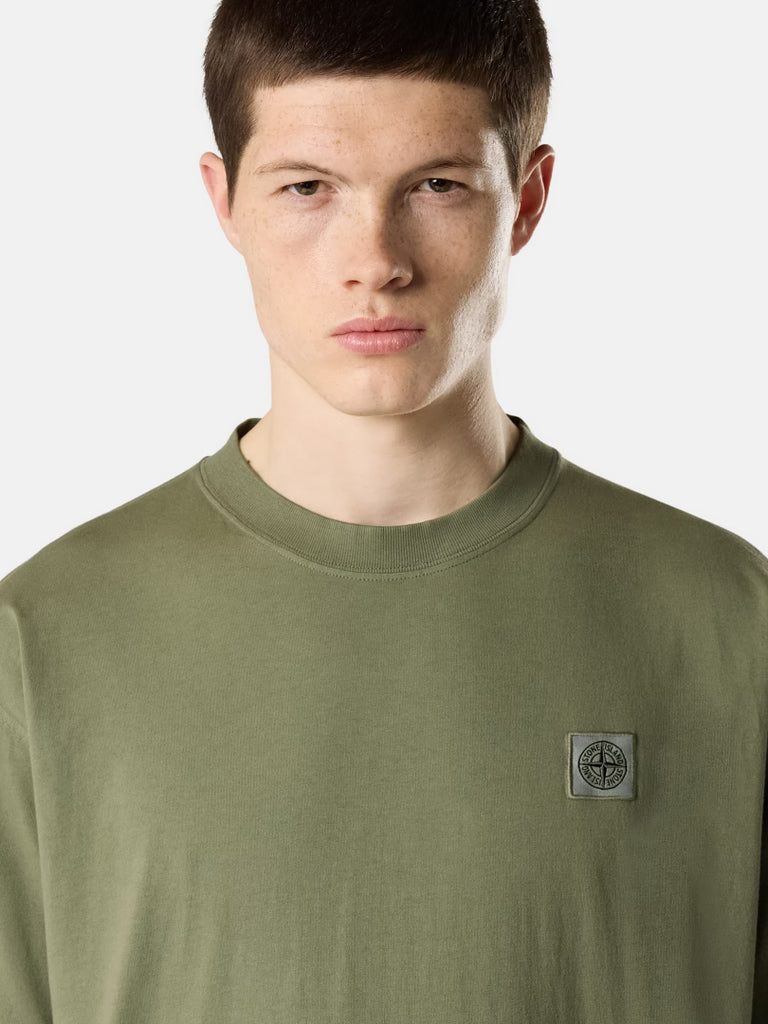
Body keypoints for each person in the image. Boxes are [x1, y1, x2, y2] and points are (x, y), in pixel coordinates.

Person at [1, 0, 766, 1020]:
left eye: (437, 185)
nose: (376, 260)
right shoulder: (41, 640)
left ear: (529, 198)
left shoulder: (730, 620)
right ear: (224, 202)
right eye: (307, 187)